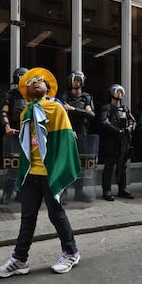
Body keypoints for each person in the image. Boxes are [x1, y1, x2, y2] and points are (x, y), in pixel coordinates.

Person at [0, 67, 81, 277]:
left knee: (56, 215)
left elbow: (66, 142)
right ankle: (20, 260)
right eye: (31, 81)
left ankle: (71, 252)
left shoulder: (56, 109)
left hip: (49, 172)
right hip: (31, 173)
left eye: (40, 80)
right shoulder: (25, 112)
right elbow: (26, 146)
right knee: (27, 217)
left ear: (48, 88)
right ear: (25, 90)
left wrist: (59, 171)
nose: (35, 82)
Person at [59, 70, 95, 203]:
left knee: (81, 164)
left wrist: (73, 109)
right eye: (75, 79)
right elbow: (62, 113)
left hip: (82, 131)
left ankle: (79, 193)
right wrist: (70, 129)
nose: (77, 82)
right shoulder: (65, 96)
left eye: (79, 80)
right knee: (66, 163)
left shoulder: (86, 97)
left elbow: (91, 115)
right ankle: (63, 193)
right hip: (68, 130)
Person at [99, 84, 136, 201]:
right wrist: (117, 131)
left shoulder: (125, 108)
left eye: (121, 91)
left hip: (124, 141)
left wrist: (129, 128)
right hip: (111, 140)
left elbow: (132, 121)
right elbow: (104, 122)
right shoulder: (107, 108)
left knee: (123, 165)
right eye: (117, 91)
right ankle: (107, 190)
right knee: (109, 165)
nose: (119, 93)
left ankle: (122, 188)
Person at [0, 67, 28, 205]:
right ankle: (7, 192)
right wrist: (7, 127)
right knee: (12, 166)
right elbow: (4, 112)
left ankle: (21, 193)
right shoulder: (10, 95)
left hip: (28, 136)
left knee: (26, 166)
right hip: (13, 134)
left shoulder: (32, 96)